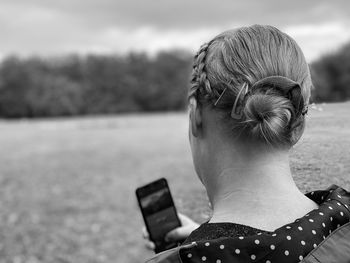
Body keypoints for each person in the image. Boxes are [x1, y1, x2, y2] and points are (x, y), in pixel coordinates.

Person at [143, 25, 350, 262]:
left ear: (195, 116)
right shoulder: (343, 217)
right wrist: (204, 239)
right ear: (297, 127)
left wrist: (198, 247)